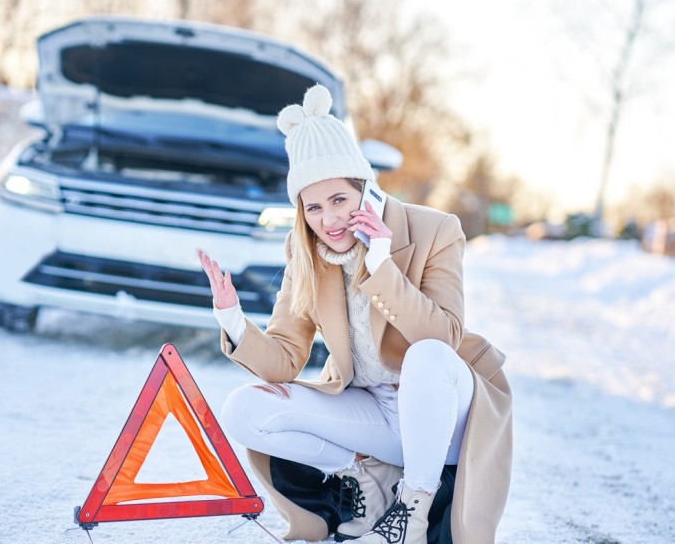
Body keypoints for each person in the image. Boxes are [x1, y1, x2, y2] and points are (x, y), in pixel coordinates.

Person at [198, 84, 512, 544]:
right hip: (377, 415)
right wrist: (231, 317)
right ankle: (370, 479)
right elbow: (285, 358)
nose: (328, 220)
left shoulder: (435, 229)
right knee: (243, 409)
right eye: (314, 208)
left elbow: (444, 335)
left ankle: (413, 514)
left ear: (364, 189)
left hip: (446, 413)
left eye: (339, 201)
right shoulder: (306, 251)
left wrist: (381, 266)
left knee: (426, 356)